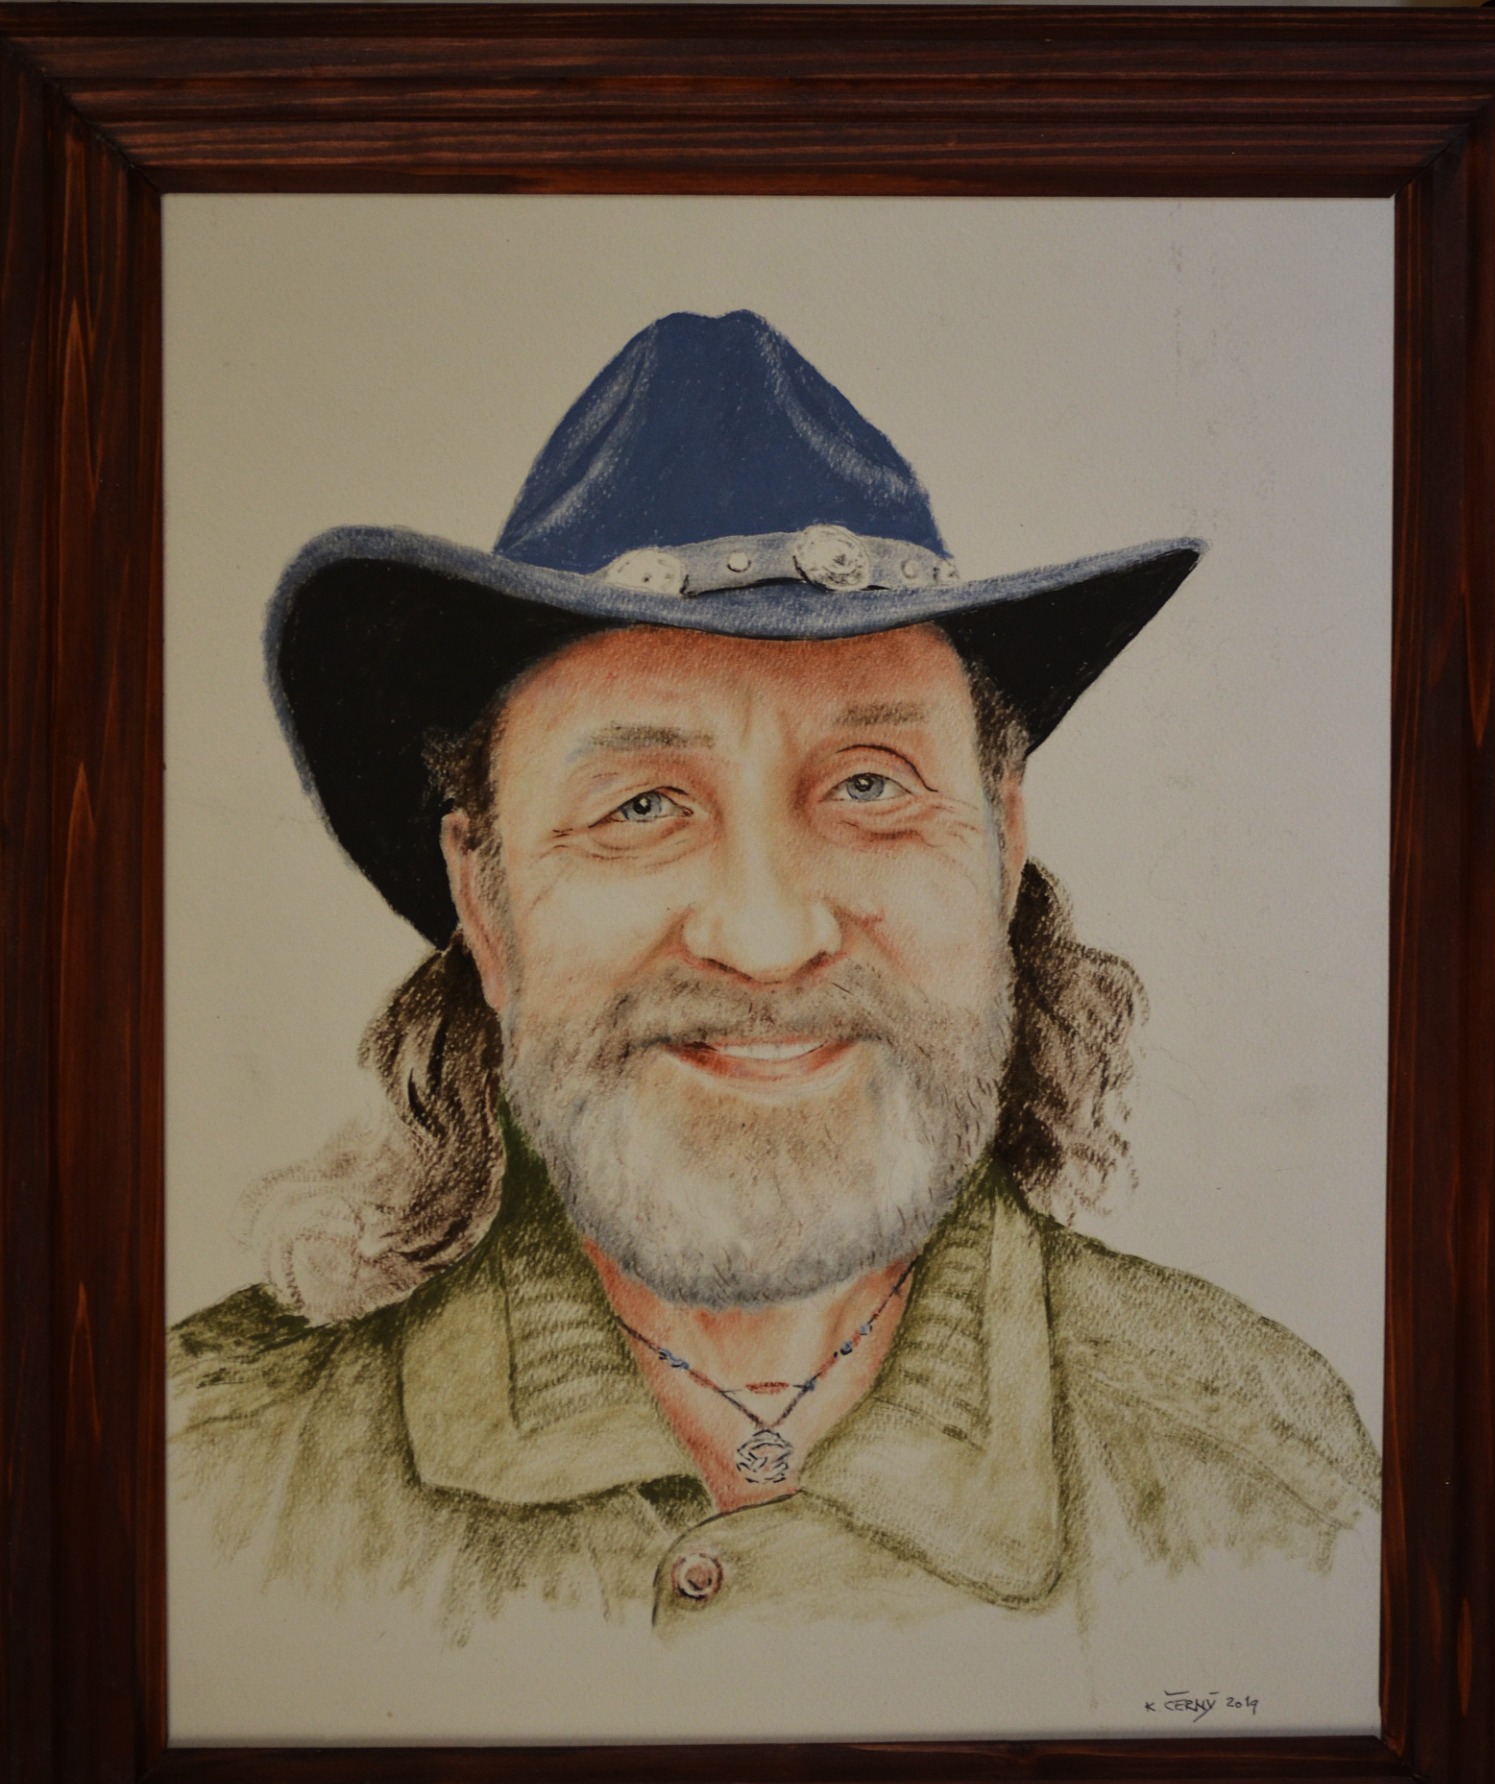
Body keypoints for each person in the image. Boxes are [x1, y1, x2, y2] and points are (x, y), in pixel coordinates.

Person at [170, 310, 1379, 1640]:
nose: (765, 938)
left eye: (869, 786)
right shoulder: (200, 1471)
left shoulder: (1272, 1478)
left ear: (1000, 849)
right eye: (640, 806)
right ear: (486, 903)